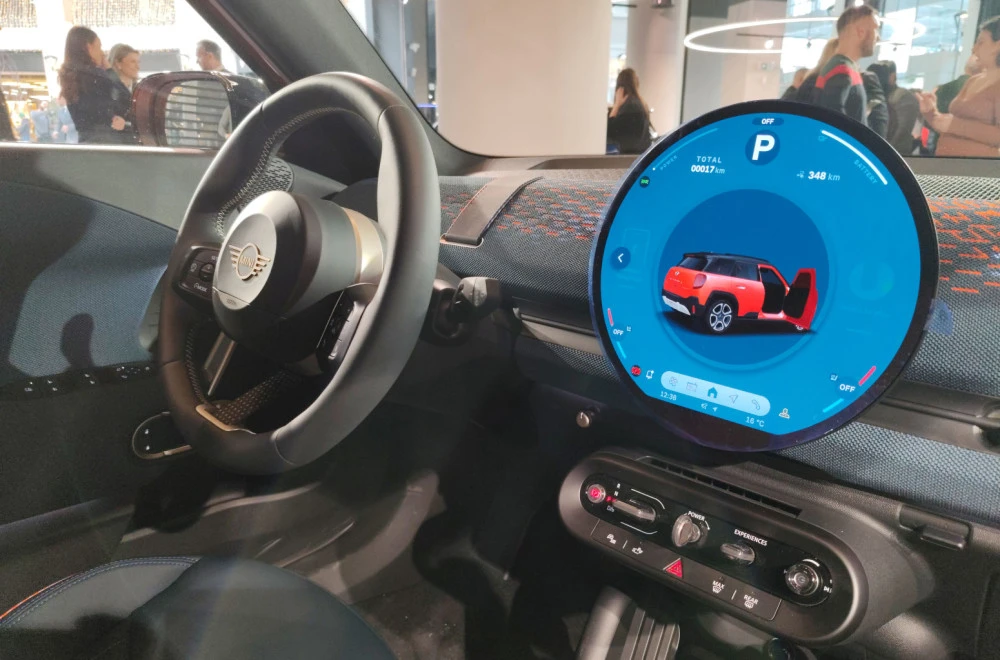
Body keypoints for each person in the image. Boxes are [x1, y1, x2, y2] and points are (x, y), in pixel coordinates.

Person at [918, 17, 1000, 158]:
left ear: (997, 46)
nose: (974, 49)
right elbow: (947, 126)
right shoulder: (973, 80)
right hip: (947, 161)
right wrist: (931, 113)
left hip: (976, 167)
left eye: (981, 42)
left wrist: (954, 125)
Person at [808, 4, 880, 126]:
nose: (878, 38)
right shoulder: (841, 69)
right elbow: (835, 123)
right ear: (861, 32)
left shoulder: (842, 68)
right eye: (875, 30)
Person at [58, 26, 132, 144]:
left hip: (86, 144)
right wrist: (109, 70)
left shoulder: (69, 78)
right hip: (108, 144)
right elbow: (127, 101)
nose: (102, 53)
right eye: (99, 47)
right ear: (89, 47)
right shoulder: (96, 77)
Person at [607, 68, 652, 154]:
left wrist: (616, 105)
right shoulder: (641, 104)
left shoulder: (629, 108)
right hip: (640, 154)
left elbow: (609, 131)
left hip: (629, 156)